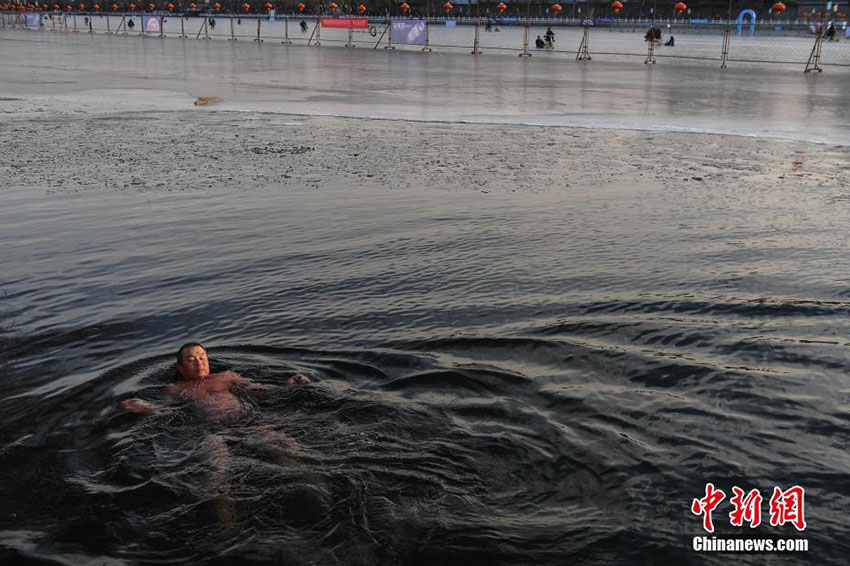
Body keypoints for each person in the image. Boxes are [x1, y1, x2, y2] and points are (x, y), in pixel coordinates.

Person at [121, 342, 308, 419]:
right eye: (191, 360)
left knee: (279, 441)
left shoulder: (227, 376)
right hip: (211, 428)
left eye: (202, 358)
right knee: (216, 458)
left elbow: (259, 390)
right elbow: (167, 411)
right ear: (180, 368)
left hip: (247, 419)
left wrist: (287, 385)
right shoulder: (174, 389)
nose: (198, 363)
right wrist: (144, 407)